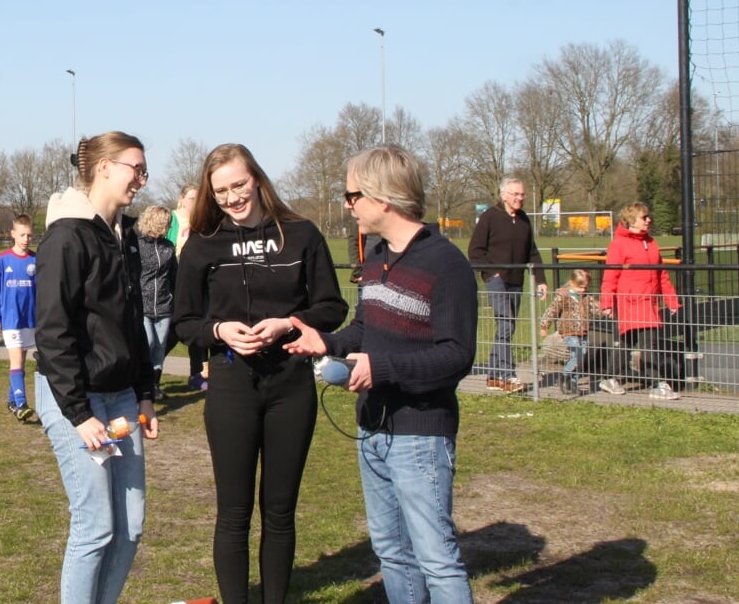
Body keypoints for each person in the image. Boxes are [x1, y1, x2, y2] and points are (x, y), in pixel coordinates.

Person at [287, 144, 477, 604]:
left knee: (436, 558)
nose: (347, 205)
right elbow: (365, 329)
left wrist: (382, 368)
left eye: (352, 195)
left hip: (420, 435)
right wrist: (326, 343)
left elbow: (457, 357)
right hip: (371, 428)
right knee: (391, 551)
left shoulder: (446, 264)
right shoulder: (375, 258)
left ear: (382, 197)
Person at [173, 143, 348, 604]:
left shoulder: (301, 234)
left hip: (290, 385)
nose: (232, 197)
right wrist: (219, 330)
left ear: (257, 179)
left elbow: (332, 306)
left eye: (239, 185)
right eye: (221, 190)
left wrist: (290, 323)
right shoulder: (202, 244)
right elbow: (184, 322)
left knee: (279, 512)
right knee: (233, 514)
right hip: (231, 387)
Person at [34, 131, 158, 604]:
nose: (142, 180)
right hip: (76, 401)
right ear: (104, 167)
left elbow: (132, 323)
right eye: (136, 168)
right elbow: (53, 331)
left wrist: (145, 392)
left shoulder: (122, 236)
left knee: (130, 527)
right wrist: (78, 412)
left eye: (145, 171)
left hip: (122, 397)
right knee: (96, 525)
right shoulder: (65, 236)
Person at [468, 177, 547, 393]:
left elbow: (533, 251)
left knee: (508, 326)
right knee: (505, 324)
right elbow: (475, 251)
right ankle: (507, 375)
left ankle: (493, 375)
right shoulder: (490, 217)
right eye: (516, 194)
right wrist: (492, 273)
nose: (520, 198)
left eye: (522, 195)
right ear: (504, 195)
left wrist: (541, 280)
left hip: (517, 280)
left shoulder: (524, 220)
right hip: (496, 280)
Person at [599, 202, 683, 401]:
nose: (648, 220)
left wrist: (672, 301)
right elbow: (611, 275)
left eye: (648, 217)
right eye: (644, 217)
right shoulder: (619, 244)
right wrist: (607, 303)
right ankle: (612, 378)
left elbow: (662, 275)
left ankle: (656, 383)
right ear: (632, 220)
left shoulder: (651, 243)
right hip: (628, 303)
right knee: (625, 343)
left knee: (650, 343)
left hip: (649, 303)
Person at [0, 214, 38, 421]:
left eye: (29, 235)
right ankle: (22, 404)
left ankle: (11, 401)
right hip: (10, 320)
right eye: (22, 235)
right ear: (13, 234)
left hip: (30, 320)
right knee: (16, 361)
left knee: (21, 362)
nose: (26, 239)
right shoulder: (2, 260)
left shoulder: (36, 259)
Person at [165, 184, 209, 391]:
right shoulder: (170, 219)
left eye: (198, 199)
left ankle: (197, 374)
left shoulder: (201, 222)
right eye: (192, 198)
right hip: (172, 281)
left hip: (197, 282)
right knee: (170, 331)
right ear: (182, 198)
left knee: (198, 324)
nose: (195, 203)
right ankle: (149, 374)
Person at [136, 205, 176, 402]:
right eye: (166, 223)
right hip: (142, 305)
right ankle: (139, 382)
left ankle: (154, 385)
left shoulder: (168, 247)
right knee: (148, 342)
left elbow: (173, 276)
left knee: (160, 346)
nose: (169, 227)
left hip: (163, 305)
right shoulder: (137, 244)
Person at [539, 269, 600, 395]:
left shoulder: (586, 297)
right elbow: (552, 311)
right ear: (572, 283)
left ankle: (573, 382)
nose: (583, 290)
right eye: (580, 287)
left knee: (580, 357)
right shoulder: (563, 297)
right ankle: (565, 376)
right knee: (577, 356)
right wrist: (544, 326)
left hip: (583, 330)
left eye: (585, 287)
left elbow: (596, 308)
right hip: (569, 331)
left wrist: (605, 310)